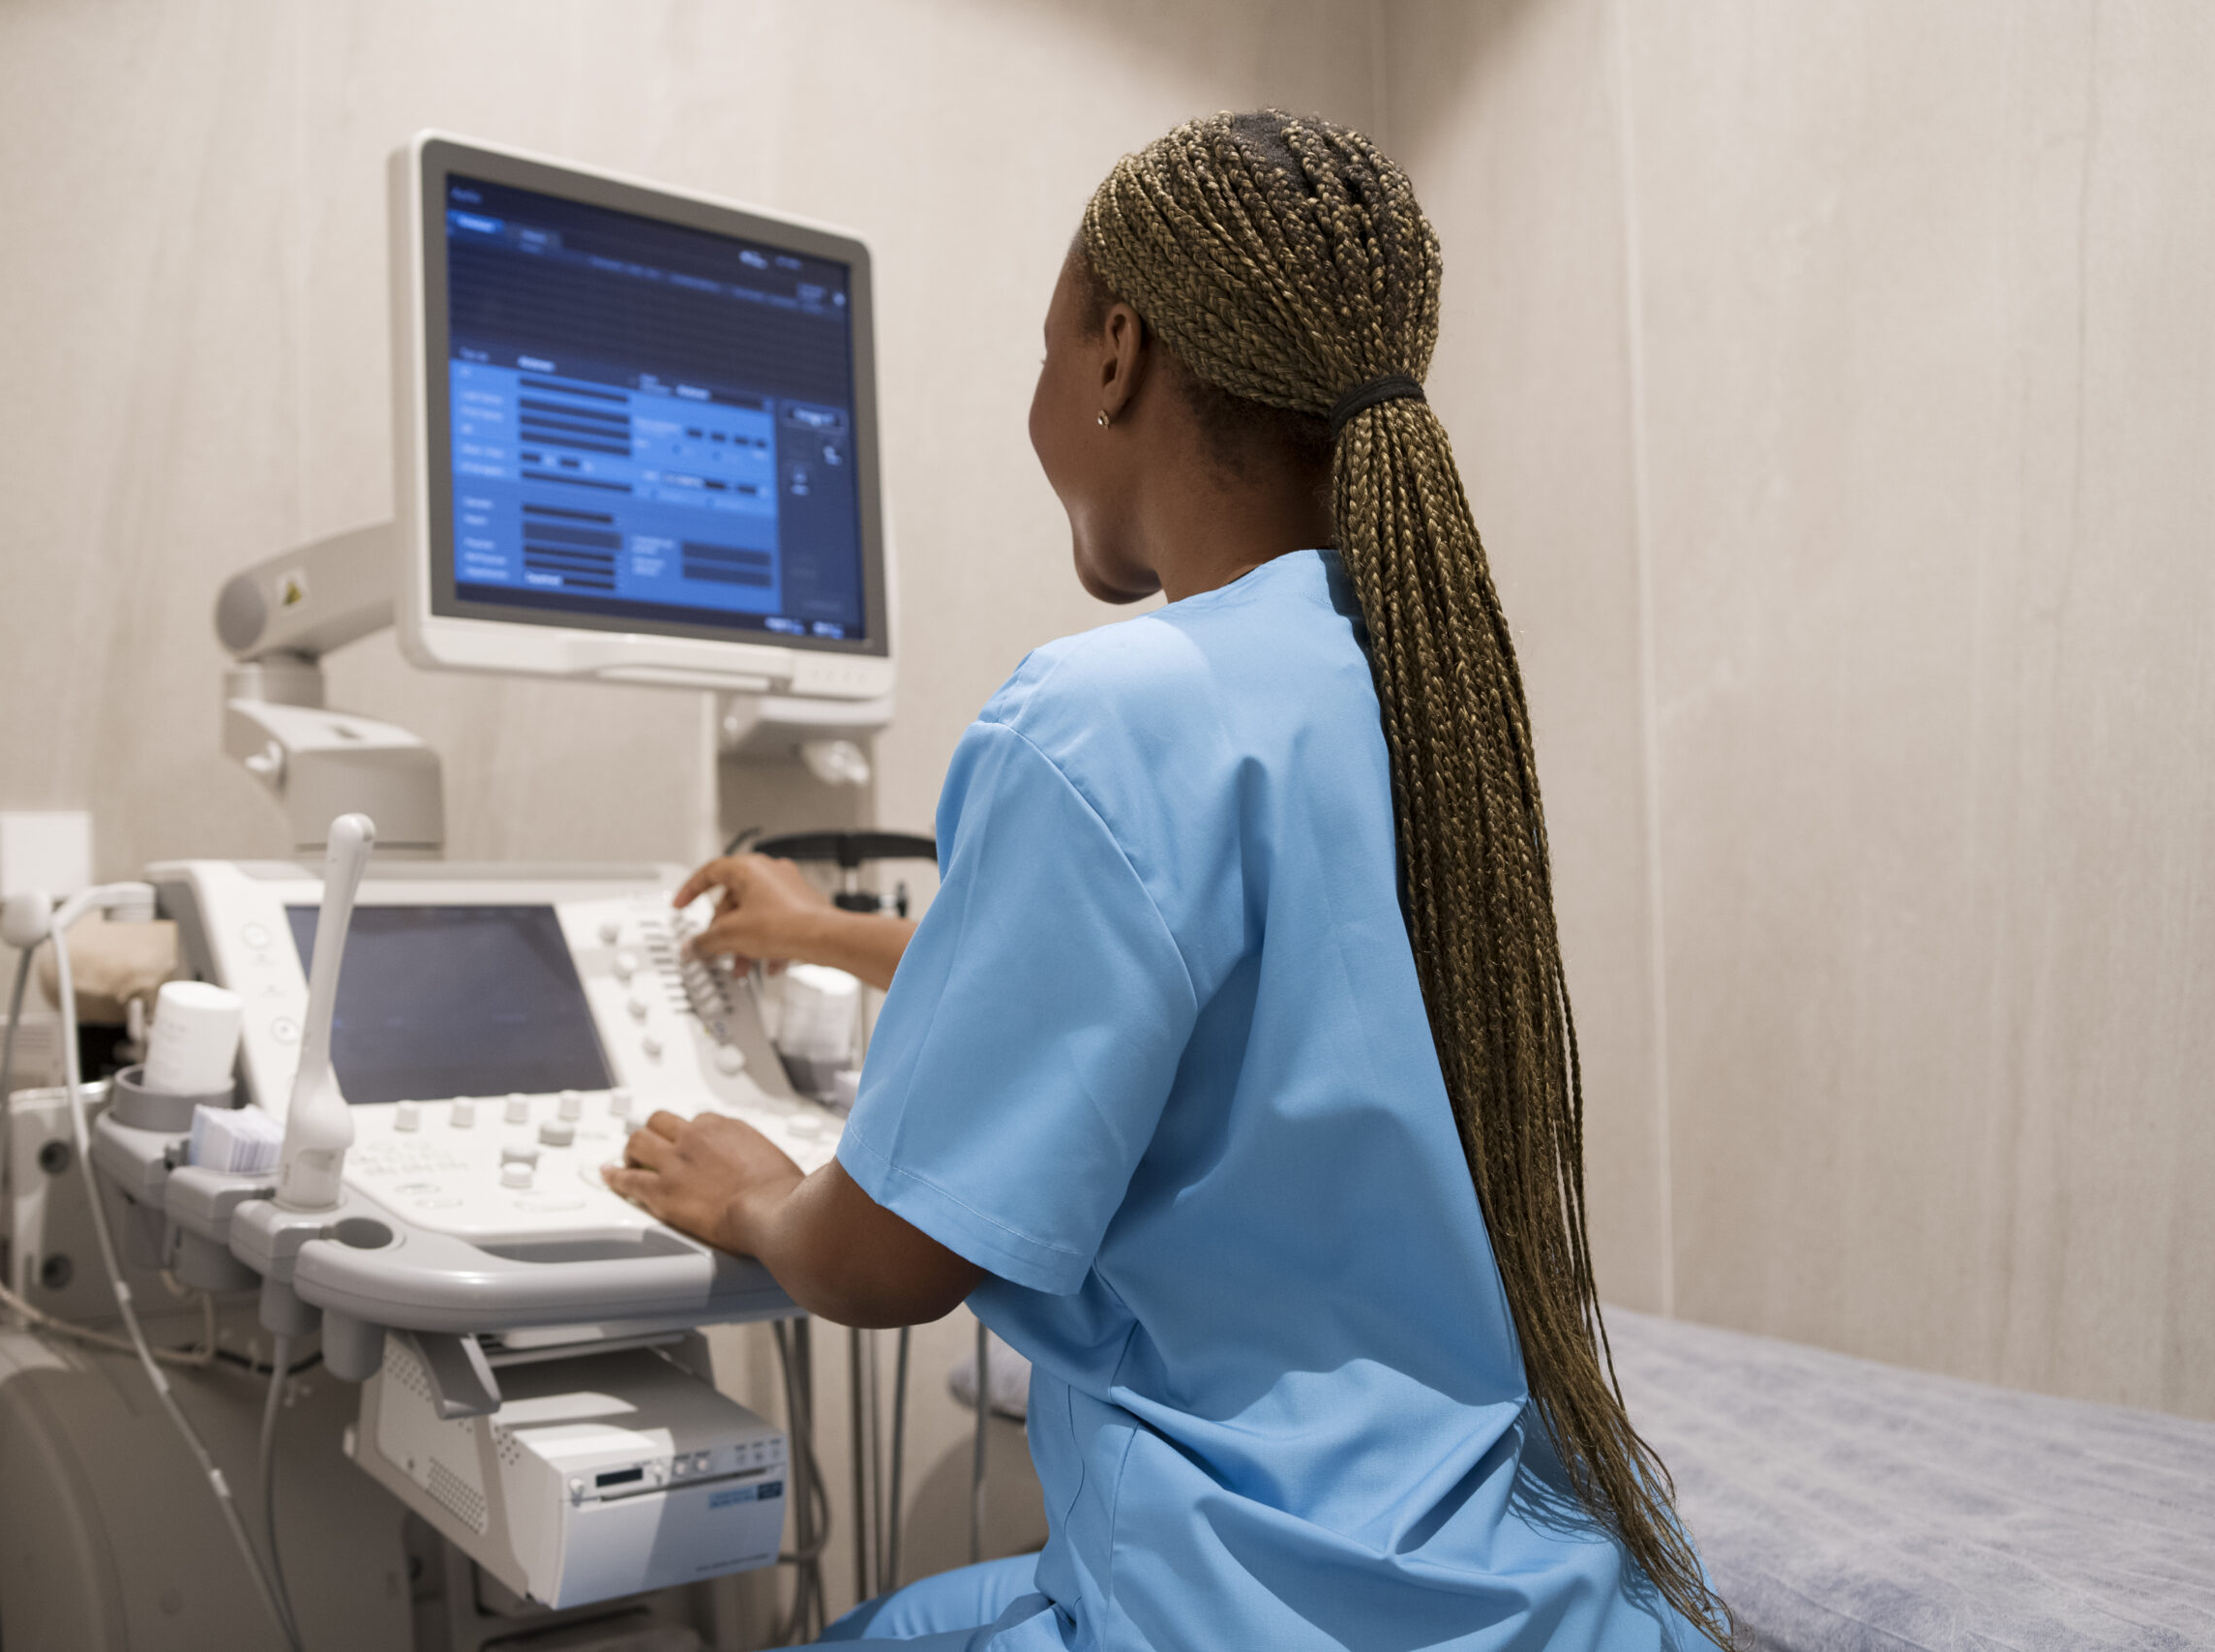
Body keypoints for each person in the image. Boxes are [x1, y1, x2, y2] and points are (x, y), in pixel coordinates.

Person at [601, 111, 1730, 1652]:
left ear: (1116, 354)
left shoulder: (1100, 716)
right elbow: (1218, 977)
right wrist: (819, 931)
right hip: (1534, 1587)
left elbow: (881, 1266)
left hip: (1260, 1606)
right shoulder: (1426, 686)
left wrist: (758, 1196)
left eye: (1045, 345)